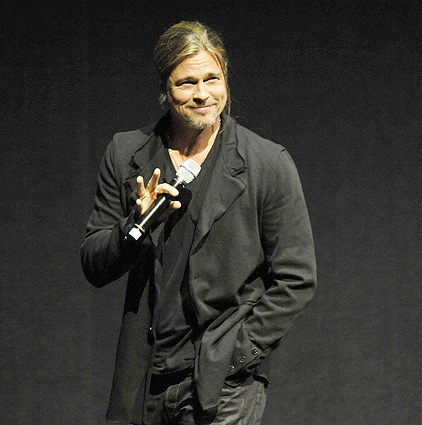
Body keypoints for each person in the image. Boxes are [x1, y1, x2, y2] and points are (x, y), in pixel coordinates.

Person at [81, 21, 317, 425]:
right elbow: (94, 264)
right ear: (164, 87)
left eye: (212, 79)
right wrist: (134, 225)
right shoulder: (126, 153)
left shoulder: (266, 163)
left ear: (226, 79)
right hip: (146, 381)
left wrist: (235, 356)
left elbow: (297, 278)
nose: (203, 94)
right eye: (187, 83)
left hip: (223, 387)